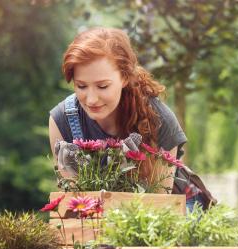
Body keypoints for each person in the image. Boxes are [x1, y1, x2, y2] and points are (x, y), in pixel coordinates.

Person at [48, 27, 187, 195]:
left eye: (102, 86)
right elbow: (72, 202)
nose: (91, 99)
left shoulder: (160, 120)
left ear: (124, 78)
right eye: (81, 86)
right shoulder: (62, 120)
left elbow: (160, 207)